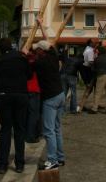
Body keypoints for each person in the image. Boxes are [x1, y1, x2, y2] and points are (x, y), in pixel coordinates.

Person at [0, 37, 31, 174]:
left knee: (5, 130)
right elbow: (30, 75)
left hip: (4, 95)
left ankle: (2, 164)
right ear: (12, 47)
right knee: (19, 129)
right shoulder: (21, 57)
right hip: (20, 94)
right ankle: (19, 163)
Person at [33, 18, 66, 171]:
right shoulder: (53, 56)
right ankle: (60, 157)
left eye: (37, 49)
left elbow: (29, 63)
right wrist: (41, 25)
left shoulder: (40, 64)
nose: (35, 51)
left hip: (50, 99)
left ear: (41, 51)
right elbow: (48, 40)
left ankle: (52, 160)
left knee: (49, 130)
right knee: (57, 128)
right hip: (60, 95)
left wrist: (25, 53)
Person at [89, 45, 106, 114]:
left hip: (101, 75)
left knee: (98, 92)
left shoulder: (97, 59)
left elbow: (93, 69)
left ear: (99, 52)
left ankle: (95, 108)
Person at [25, 47, 41, 143]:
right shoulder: (37, 61)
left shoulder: (23, 61)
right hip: (35, 89)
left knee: (26, 113)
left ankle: (25, 134)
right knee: (34, 114)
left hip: (24, 89)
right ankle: (31, 135)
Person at [59, 50, 82, 115]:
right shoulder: (79, 61)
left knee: (63, 93)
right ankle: (73, 109)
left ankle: (63, 111)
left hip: (62, 74)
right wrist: (86, 81)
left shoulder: (68, 59)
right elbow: (82, 72)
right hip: (71, 75)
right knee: (73, 92)